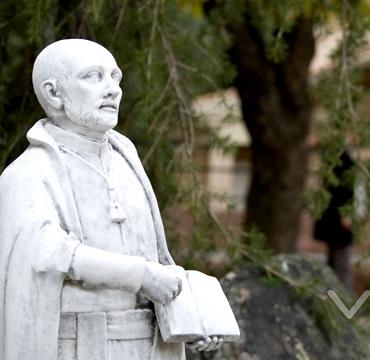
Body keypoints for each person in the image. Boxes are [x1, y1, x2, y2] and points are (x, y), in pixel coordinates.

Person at [0, 39, 218, 360]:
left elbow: (158, 261)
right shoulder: (28, 174)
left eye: (115, 77)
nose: (113, 89)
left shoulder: (126, 161)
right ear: (54, 93)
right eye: (93, 76)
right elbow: (48, 254)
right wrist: (141, 275)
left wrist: (192, 314)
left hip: (147, 346)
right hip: (77, 346)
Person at [313, 149, 356, 290]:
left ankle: (343, 298)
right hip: (333, 217)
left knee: (340, 261)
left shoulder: (342, 161)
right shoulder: (334, 160)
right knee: (335, 261)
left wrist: (348, 213)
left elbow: (350, 189)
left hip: (337, 217)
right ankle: (334, 296)